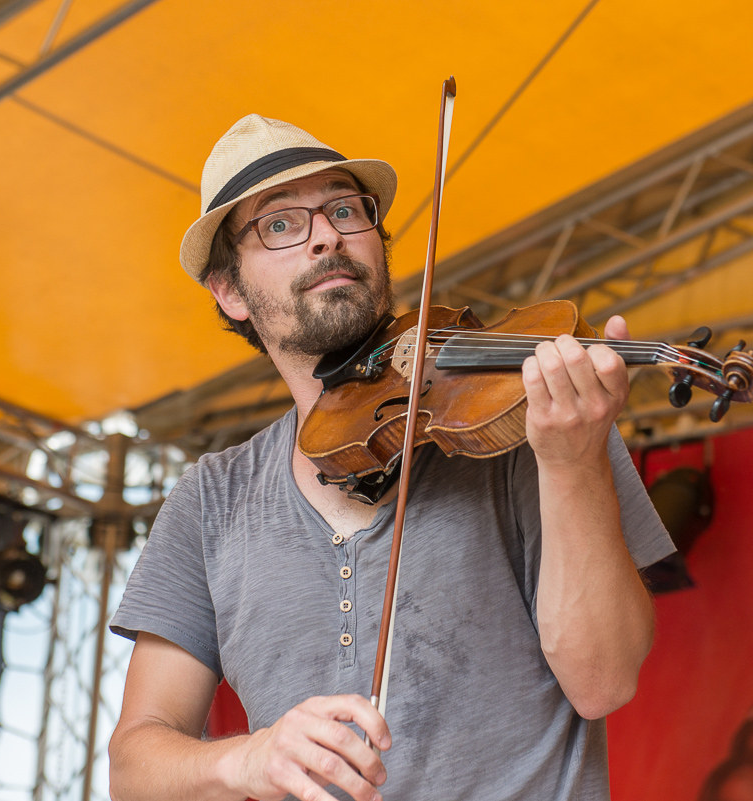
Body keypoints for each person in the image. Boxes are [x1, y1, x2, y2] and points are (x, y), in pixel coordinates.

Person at [108, 114, 676, 801]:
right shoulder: (212, 498)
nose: (327, 234)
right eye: (280, 224)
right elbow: (133, 766)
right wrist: (249, 759)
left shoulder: (528, 420)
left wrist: (572, 462)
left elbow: (606, 680)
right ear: (230, 292)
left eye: (346, 210)